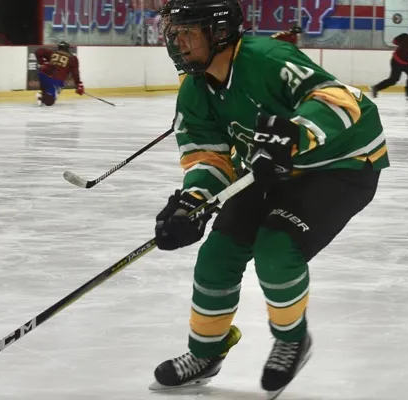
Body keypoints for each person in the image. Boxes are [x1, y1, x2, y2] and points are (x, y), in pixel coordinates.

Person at [149, 0, 388, 398]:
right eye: (173, 32)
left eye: (188, 31)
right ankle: (206, 353)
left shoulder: (268, 58)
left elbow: (340, 99)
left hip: (341, 167)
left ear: (219, 31)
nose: (178, 41)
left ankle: (292, 339)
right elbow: (207, 156)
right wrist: (193, 201)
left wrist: (295, 134)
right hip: (270, 173)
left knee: (276, 251)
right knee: (216, 256)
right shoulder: (193, 90)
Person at [370, 30, 408, 100]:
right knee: (393, 80)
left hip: (404, 63)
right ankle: (376, 87)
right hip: (396, 62)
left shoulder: (405, 37)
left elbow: (394, 41)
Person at [34, 41, 84, 106]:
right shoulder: (72, 58)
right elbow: (75, 73)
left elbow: (38, 51)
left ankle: (43, 94)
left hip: (43, 75)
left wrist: (42, 63)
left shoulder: (52, 53)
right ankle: (42, 96)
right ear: (67, 49)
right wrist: (78, 85)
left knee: (47, 90)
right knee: (49, 102)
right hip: (56, 80)